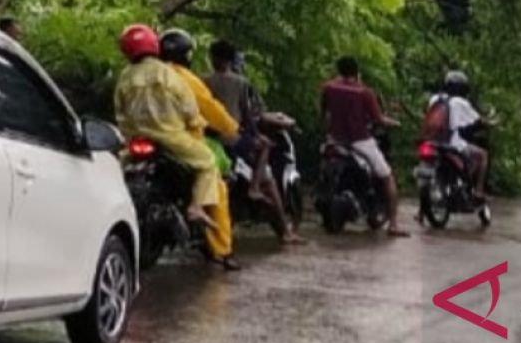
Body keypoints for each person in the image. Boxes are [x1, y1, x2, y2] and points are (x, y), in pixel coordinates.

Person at [112, 25, 221, 236]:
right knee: (207, 162)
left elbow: (120, 112)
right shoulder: (167, 74)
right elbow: (188, 107)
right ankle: (196, 207)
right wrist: (196, 124)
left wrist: (128, 135)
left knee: (116, 169)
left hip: (136, 139)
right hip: (171, 138)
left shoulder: (124, 77)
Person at [204, 39, 305, 245]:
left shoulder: (202, 80)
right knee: (267, 156)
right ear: (232, 61)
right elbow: (248, 115)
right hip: (233, 139)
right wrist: (256, 135)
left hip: (208, 138)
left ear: (212, 58)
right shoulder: (241, 83)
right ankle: (256, 190)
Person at [159, 29, 243, 270]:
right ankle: (222, 249)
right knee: (216, 183)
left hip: (141, 138)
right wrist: (230, 127)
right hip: (181, 141)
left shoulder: (142, 73)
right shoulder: (185, 78)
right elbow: (210, 108)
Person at [321, 56, 408, 237]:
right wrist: (396, 123)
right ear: (357, 72)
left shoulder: (328, 88)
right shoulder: (365, 93)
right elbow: (379, 119)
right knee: (387, 176)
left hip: (335, 140)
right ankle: (393, 224)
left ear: (339, 70)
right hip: (360, 141)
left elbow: (324, 112)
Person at [427, 70, 489, 200]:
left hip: (431, 141)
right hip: (452, 143)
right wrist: (491, 123)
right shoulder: (460, 102)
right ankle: (478, 191)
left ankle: (422, 213)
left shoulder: (435, 98)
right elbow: (478, 120)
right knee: (482, 155)